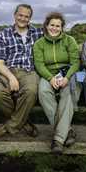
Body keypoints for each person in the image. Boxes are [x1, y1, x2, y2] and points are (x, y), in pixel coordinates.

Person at [0, 4, 43, 139]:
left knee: (30, 91)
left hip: (29, 71)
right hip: (8, 70)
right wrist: (11, 77)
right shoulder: (3, 35)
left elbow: (57, 32)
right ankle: (24, 123)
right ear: (15, 15)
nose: (23, 19)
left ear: (30, 18)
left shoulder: (38, 33)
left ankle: (9, 126)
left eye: (27, 16)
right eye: (20, 15)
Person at [33, 12, 80, 154]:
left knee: (68, 94)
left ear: (62, 27)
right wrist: (50, 78)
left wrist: (66, 78)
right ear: (46, 26)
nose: (54, 28)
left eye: (58, 26)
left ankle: (58, 139)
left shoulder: (69, 40)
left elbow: (75, 62)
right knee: (43, 92)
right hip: (49, 75)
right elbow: (39, 65)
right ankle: (68, 131)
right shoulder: (39, 44)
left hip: (68, 74)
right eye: (52, 25)